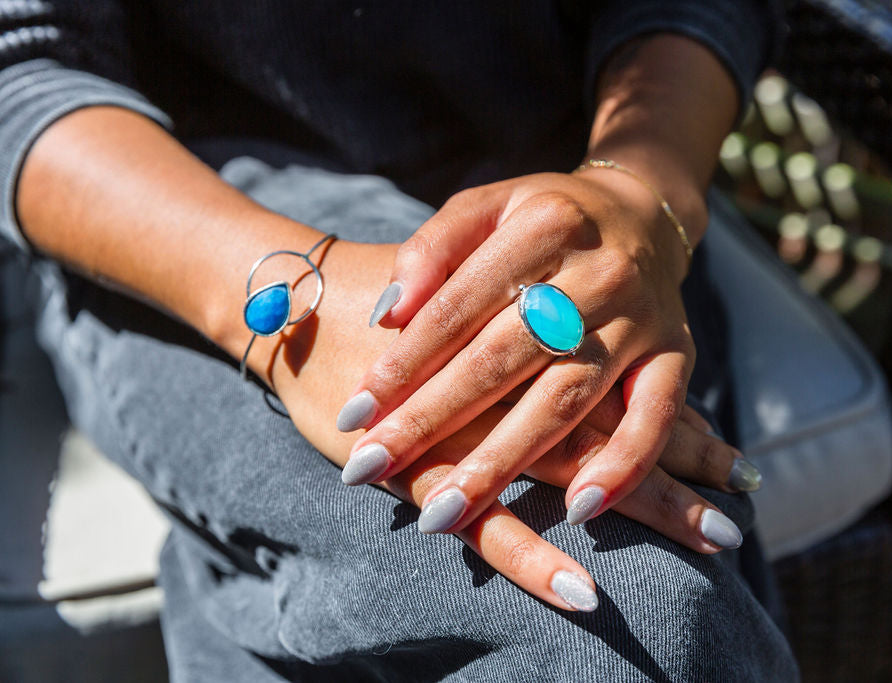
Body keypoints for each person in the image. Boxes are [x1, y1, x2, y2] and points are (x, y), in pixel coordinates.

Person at [1, 1, 798, 680]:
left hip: (577, 220)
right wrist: (301, 297)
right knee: (650, 610)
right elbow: (22, 74)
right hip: (197, 225)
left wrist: (640, 190)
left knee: (670, 570)